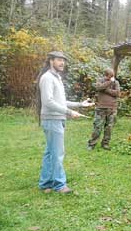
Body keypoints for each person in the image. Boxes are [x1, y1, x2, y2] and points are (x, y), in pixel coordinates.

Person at [37, 51, 94, 194]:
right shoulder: (48, 78)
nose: (62, 63)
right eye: (59, 60)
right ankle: (59, 185)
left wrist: (80, 105)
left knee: (50, 153)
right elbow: (48, 102)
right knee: (57, 153)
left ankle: (45, 183)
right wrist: (69, 112)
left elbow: (61, 102)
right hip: (52, 120)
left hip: (55, 119)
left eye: (63, 60)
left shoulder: (57, 78)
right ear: (51, 61)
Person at [87, 68, 120, 151]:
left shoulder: (116, 82)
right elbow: (99, 88)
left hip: (112, 108)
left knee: (108, 128)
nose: (112, 77)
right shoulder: (100, 80)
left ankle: (105, 144)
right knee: (97, 127)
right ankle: (92, 144)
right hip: (100, 108)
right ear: (106, 75)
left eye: (113, 75)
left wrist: (106, 90)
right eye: (110, 75)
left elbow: (117, 93)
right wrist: (109, 83)